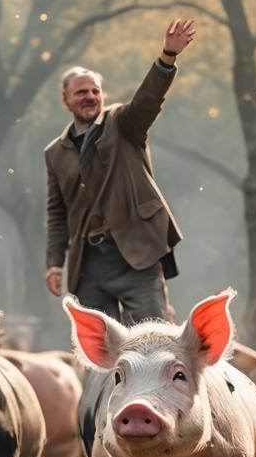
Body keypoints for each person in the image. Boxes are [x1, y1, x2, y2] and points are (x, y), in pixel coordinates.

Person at [43, 19, 196, 325]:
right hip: (88, 265)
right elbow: (57, 214)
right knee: (100, 353)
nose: (89, 97)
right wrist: (54, 263)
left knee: (154, 340)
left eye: (94, 91)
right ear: (65, 101)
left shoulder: (123, 123)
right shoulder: (55, 153)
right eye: (80, 93)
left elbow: (148, 99)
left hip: (136, 253)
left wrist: (167, 56)